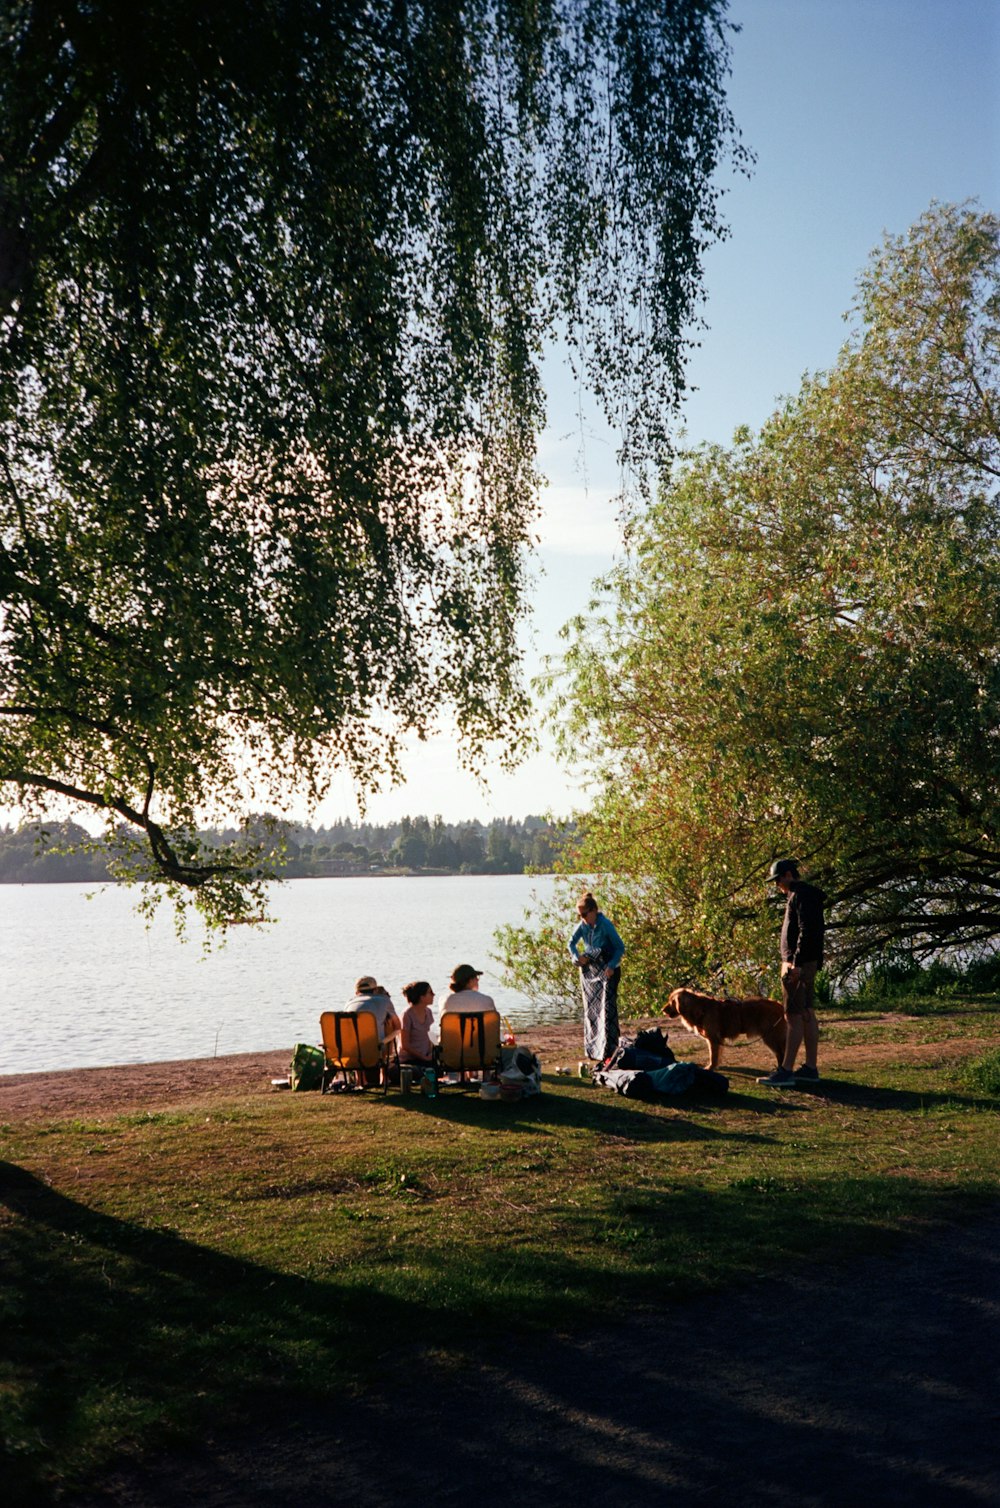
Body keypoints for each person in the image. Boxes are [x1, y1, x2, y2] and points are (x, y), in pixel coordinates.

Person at [758, 859, 825, 1086]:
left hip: (798, 965)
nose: (777, 885)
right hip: (805, 962)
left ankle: (786, 1071)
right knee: (806, 1012)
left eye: (777, 880)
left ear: (787, 875)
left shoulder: (800, 895)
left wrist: (794, 963)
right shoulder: (803, 895)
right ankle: (810, 1068)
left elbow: (807, 931)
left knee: (793, 1015)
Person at [567, 891, 624, 1062]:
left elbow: (620, 948)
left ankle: (609, 1049)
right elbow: (571, 943)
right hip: (591, 974)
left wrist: (611, 966)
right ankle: (593, 1050)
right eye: (579, 915)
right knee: (591, 1012)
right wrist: (576, 957)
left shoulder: (605, 924)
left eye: (584, 914)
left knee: (607, 1012)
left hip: (608, 971)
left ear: (593, 911)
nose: (582, 918)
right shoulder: (583, 925)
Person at [342, 975, 401, 1045]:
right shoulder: (384, 1000)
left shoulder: (349, 1002)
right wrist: (383, 1042)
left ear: (357, 992)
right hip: (373, 1048)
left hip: (349, 1048)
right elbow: (398, 1027)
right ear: (376, 990)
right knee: (389, 1023)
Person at [400, 980, 436, 1068]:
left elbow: (429, 1035)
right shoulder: (407, 1014)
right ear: (421, 997)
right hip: (410, 1059)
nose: (433, 995)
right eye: (430, 993)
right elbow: (405, 1045)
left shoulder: (428, 1012)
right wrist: (424, 1058)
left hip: (425, 1056)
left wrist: (432, 1053)